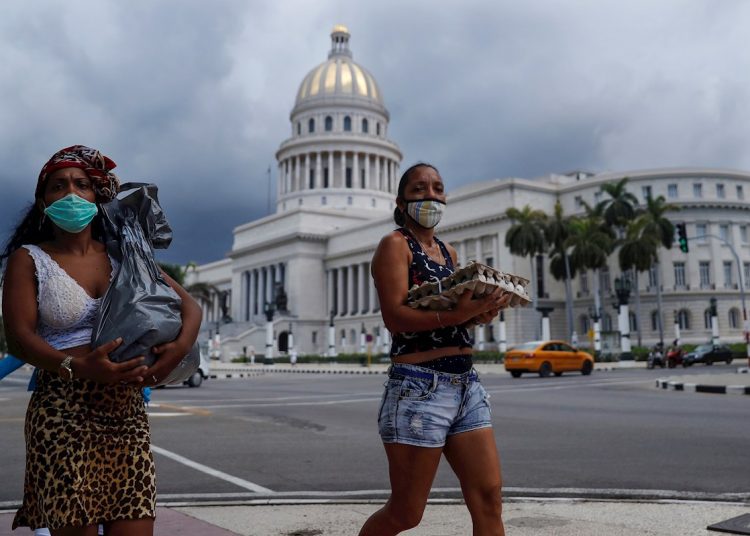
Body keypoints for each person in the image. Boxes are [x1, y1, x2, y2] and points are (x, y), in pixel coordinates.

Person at [1, 145, 202, 536]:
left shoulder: (124, 255)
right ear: (43, 202)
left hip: (124, 413)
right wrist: (77, 366)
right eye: (57, 186)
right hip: (62, 412)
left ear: (98, 196)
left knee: (136, 525)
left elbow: (190, 307)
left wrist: (175, 352)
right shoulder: (29, 259)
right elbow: (19, 338)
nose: (70, 194)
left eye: (81, 185)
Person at [359, 163, 511, 536]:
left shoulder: (448, 252)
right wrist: (461, 313)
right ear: (401, 200)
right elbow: (396, 316)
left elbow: (454, 316)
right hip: (419, 388)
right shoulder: (395, 245)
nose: (431, 195)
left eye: (438, 188)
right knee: (406, 513)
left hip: (465, 385)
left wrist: (480, 313)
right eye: (420, 188)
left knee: (489, 497)